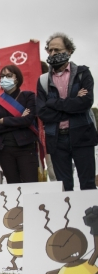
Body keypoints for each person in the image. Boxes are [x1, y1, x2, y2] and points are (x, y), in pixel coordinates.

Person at [36, 33, 98, 191]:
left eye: (57, 49)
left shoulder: (83, 73)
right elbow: (42, 112)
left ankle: (91, 216)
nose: (53, 53)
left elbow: (85, 103)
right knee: (64, 186)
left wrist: (53, 103)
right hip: (57, 139)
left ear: (69, 51)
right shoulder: (43, 80)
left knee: (88, 184)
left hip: (82, 135)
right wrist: (72, 104)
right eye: (49, 50)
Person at [0, 65, 39, 184]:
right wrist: (19, 119)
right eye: (2, 76)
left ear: (17, 78)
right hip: (5, 149)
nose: (4, 79)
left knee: (30, 184)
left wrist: (5, 121)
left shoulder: (28, 96)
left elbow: (28, 120)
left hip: (26, 148)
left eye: (9, 75)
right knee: (13, 186)